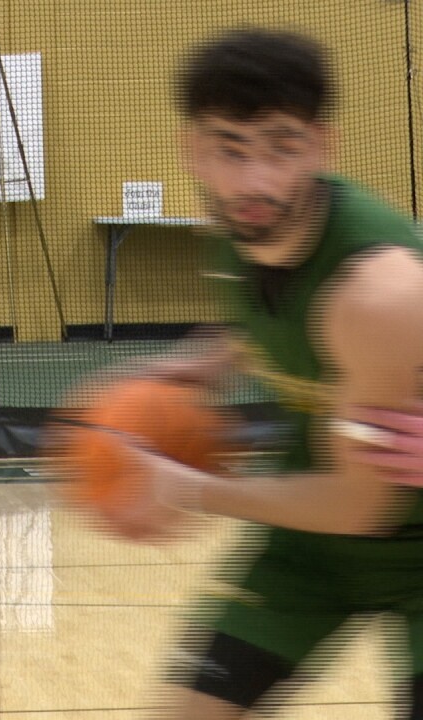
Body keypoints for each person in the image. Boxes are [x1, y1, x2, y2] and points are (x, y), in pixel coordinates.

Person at [66, 29, 423, 717]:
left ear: (323, 146)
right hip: (310, 551)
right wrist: (196, 364)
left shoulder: (379, 293)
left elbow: (358, 504)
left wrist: (188, 488)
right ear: (191, 150)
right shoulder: (233, 236)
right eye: (231, 149)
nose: (255, 181)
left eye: (283, 148)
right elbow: (269, 317)